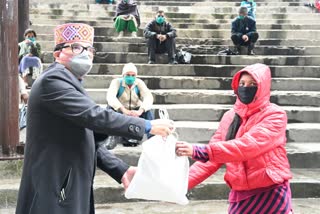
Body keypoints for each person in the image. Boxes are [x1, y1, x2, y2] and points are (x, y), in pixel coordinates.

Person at [16, 23, 174, 214]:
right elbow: (94, 116)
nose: (85, 53)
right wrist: (146, 125)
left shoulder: (71, 82)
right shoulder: (53, 81)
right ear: (57, 54)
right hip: (54, 184)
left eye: (89, 49)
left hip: (67, 182)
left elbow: (85, 134)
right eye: (75, 47)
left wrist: (120, 169)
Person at [176, 63, 293, 214]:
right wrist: (179, 184)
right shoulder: (230, 117)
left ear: (263, 87)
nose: (246, 87)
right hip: (240, 192)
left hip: (270, 191)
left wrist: (200, 151)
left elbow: (249, 145)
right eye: (242, 84)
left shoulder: (275, 115)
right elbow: (211, 161)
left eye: (252, 84)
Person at [107, 62, 154, 147]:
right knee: (110, 109)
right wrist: (123, 110)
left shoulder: (139, 83)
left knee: (148, 110)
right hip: (121, 110)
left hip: (135, 110)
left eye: (133, 75)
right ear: (123, 75)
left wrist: (140, 110)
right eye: (128, 75)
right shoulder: (117, 82)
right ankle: (111, 137)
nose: (130, 77)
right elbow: (110, 97)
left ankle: (152, 139)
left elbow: (148, 97)